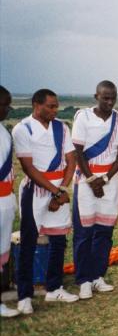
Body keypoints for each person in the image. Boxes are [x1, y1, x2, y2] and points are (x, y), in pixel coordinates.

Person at [14, 89, 78, 313]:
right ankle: (24, 295)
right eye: (50, 106)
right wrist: (55, 192)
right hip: (36, 191)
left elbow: (71, 160)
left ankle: (54, 288)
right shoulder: (23, 128)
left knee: (58, 242)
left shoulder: (62, 127)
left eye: (56, 106)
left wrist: (61, 190)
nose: (55, 110)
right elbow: (28, 168)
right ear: (36, 105)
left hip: (58, 190)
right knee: (29, 243)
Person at [71, 81, 118, 299]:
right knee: (84, 232)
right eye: (105, 97)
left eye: (113, 97)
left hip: (109, 181)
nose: (109, 101)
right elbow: (77, 152)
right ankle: (83, 279)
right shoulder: (83, 117)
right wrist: (92, 179)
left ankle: (97, 276)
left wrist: (105, 179)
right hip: (86, 180)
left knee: (104, 232)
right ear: (96, 96)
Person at [0, 86, 19, 318]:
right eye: (4, 104)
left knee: (3, 251)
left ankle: (2, 301)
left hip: (5, 200)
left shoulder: (4, 132)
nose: (7, 109)